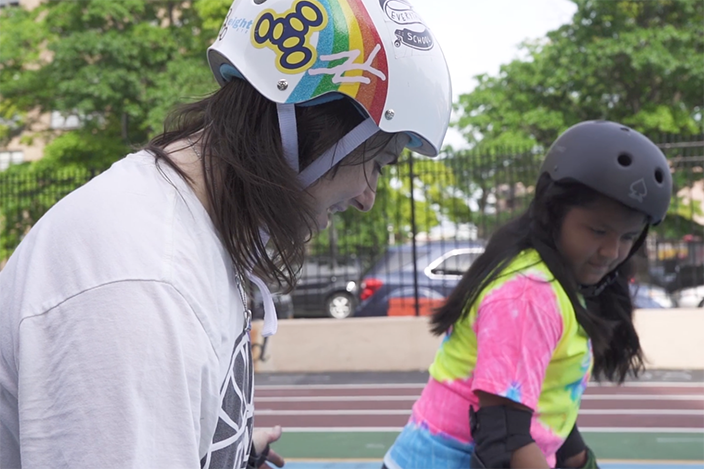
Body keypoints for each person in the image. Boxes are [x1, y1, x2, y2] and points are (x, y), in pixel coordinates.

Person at [0, 0, 451, 467]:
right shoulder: (142, 285)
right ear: (312, 129)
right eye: (377, 163)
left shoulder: (188, 234)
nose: (367, 197)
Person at [382, 121, 673, 469]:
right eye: (598, 230)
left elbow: (547, 405)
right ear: (554, 212)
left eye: (628, 237)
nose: (612, 251)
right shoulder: (528, 295)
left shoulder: (562, 282)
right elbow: (504, 443)